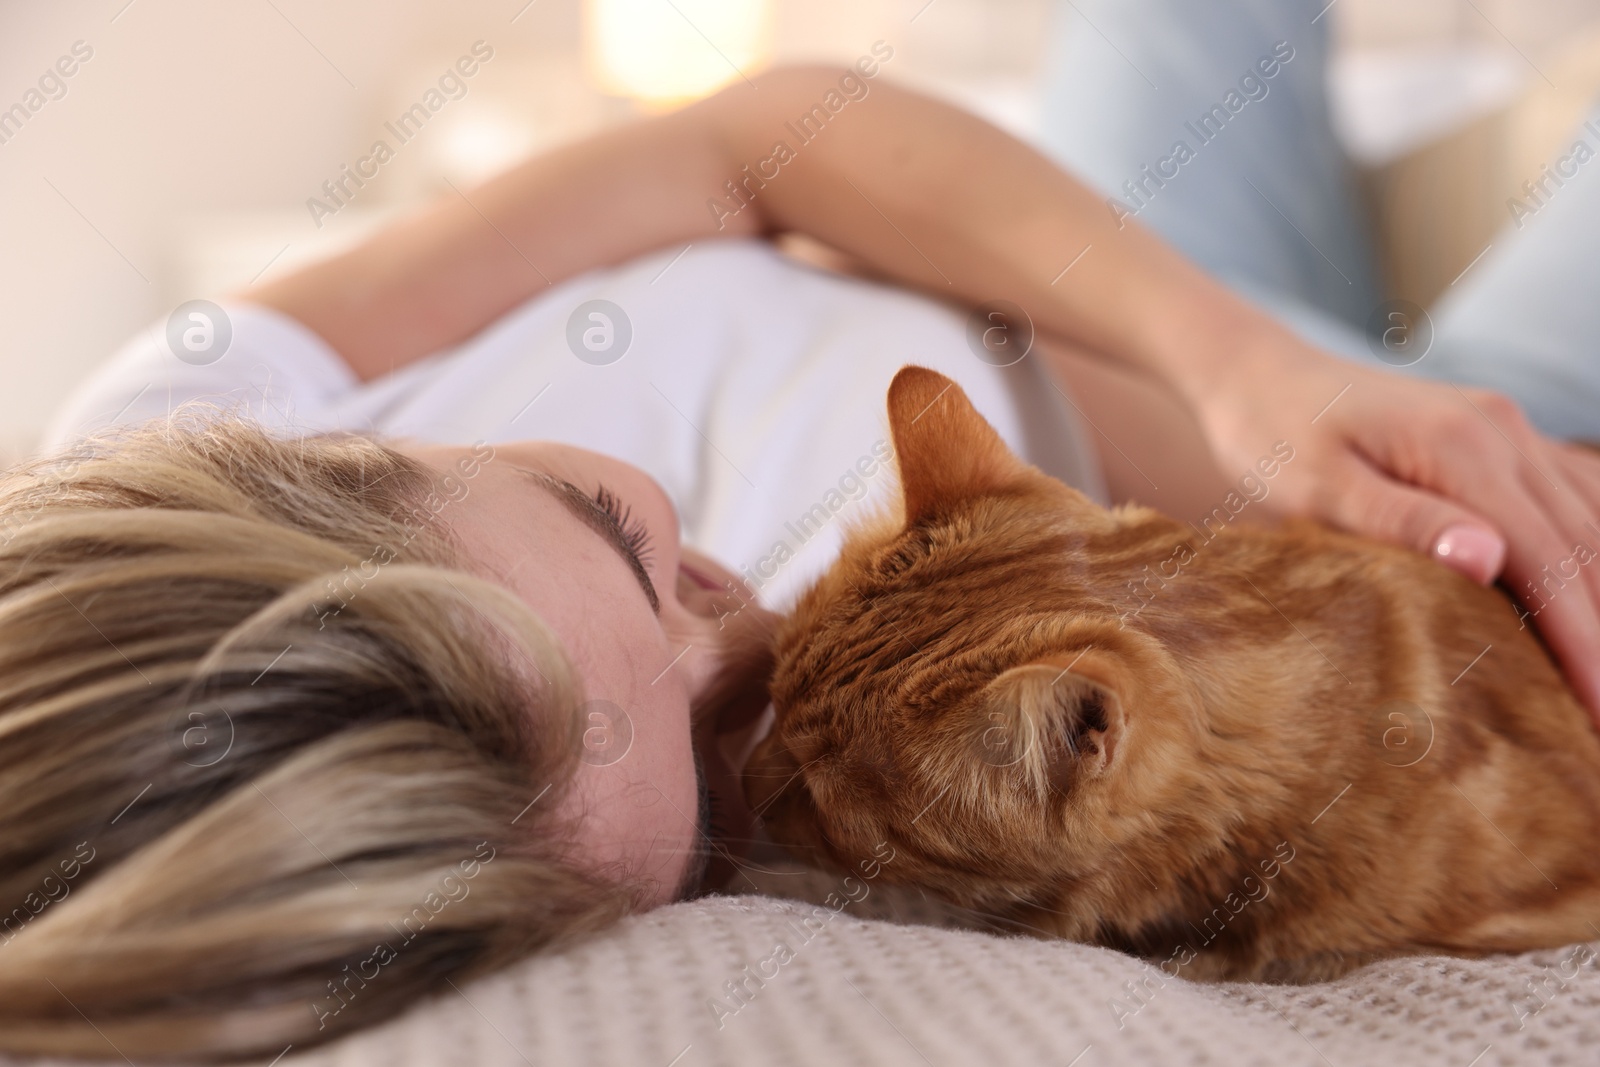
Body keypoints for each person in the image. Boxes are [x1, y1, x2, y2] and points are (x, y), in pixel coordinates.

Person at [5, 18, 1600, 1054]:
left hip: (1104, 270)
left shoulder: (183, 421)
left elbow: (750, 142)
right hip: (1388, 498)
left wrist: (1247, 362)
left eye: (611, 524)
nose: (757, 634)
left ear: (336, 464)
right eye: (711, 757)